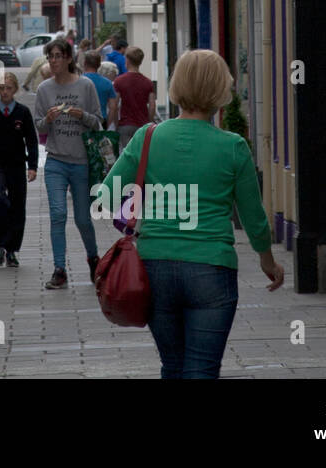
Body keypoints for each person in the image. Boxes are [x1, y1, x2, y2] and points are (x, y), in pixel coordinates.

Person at [99, 49, 284, 379]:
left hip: (155, 267)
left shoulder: (148, 136)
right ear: (220, 90)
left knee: (173, 366)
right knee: (202, 369)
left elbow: (106, 195)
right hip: (211, 267)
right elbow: (253, 216)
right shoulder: (233, 146)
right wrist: (267, 261)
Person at [33, 38, 103, 289]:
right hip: (55, 161)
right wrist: (48, 119)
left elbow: (98, 121)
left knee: (83, 219)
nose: (53, 61)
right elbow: (38, 125)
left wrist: (81, 115)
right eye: (50, 57)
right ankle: (59, 268)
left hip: (82, 161)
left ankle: (93, 257)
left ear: (69, 59)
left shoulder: (85, 86)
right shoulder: (44, 89)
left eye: (58, 56)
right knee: (58, 214)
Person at [0, 73, 37, 268]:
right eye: (1, 88)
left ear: (15, 89)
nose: (5, 92)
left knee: (18, 206)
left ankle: (12, 250)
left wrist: (32, 166)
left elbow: (31, 140)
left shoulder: (22, 112)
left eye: (9, 88)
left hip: (16, 165)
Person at [113, 46, 156, 148]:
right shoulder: (148, 83)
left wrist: (116, 124)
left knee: (127, 156)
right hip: (143, 125)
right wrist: (149, 121)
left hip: (126, 124)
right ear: (140, 62)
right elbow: (152, 106)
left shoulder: (119, 81)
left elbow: (114, 106)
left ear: (127, 60)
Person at [81, 50, 119, 131]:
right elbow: (113, 107)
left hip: (81, 121)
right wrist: (107, 125)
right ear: (99, 65)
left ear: (84, 63)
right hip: (100, 121)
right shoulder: (107, 83)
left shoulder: (78, 81)